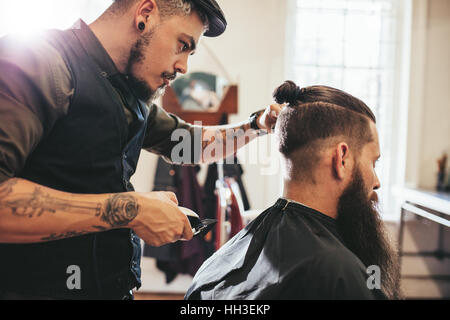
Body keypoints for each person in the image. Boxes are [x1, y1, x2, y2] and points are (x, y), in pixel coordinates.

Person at [0, 0, 282, 299]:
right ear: (145, 13)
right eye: (182, 45)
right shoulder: (38, 60)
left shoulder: (129, 91)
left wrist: (257, 125)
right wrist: (133, 210)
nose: (183, 67)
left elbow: (191, 145)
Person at [185, 81, 403, 300]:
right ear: (342, 158)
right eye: (373, 163)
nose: (376, 182)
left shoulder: (214, 266)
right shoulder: (341, 275)